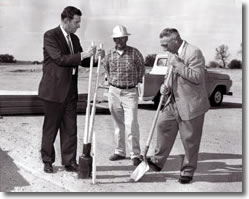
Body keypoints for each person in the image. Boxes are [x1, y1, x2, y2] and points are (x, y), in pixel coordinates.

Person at [38, 6, 104, 173]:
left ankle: (69, 162)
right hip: (53, 92)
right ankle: (47, 160)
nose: (78, 26)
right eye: (76, 22)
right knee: (50, 128)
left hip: (70, 92)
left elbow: (82, 61)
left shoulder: (74, 39)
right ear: (66, 21)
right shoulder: (50, 36)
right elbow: (60, 59)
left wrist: (96, 58)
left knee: (70, 128)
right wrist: (84, 55)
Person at [147, 28, 210, 184]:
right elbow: (170, 75)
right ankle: (157, 161)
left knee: (190, 140)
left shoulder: (194, 52)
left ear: (175, 40)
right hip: (172, 102)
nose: (163, 48)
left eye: (165, 44)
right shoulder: (172, 54)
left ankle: (187, 171)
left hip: (191, 104)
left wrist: (178, 63)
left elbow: (197, 77)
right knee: (163, 126)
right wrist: (165, 86)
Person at [103, 25, 145, 166]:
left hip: (130, 92)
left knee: (131, 123)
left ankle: (135, 154)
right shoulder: (109, 54)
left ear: (126, 38)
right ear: (114, 40)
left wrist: (133, 83)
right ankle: (120, 151)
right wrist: (112, 83)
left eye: (122, 38)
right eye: (117, 39)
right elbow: (106, 69)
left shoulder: (135, 53)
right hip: (114, 91)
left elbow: (141, 70)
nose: (119, 41)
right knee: (117, 124)